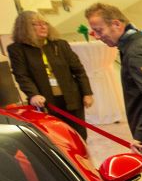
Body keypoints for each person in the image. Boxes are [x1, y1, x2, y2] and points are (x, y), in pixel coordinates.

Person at [85, 2, 142, 152]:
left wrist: (141, 134)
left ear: (116, 24)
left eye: (99, 30)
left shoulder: (135, 52)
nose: (97, 37)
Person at [8, 11, 93, 139]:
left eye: (45, 23)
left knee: (79, 135)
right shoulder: (17, 49)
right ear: (24, 28)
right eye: (36, 24)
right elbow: (22, 75)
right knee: (56, 137)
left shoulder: (60, 44)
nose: (43, 27)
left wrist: (87, 92)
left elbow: (78, 70)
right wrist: (33, 94)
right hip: (45, 101)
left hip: (71, 97)